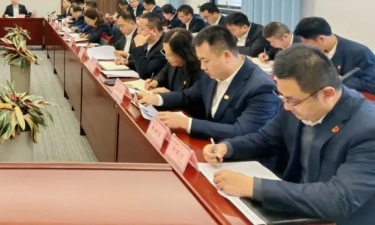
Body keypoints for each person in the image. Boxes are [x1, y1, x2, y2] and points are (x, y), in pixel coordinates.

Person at [204, 45, 375, 225]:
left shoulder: (368, 129)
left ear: (327, 94)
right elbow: (265, 139)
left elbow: (339, 199)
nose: (286, 107)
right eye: (283, 98)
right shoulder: (297, 103)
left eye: (292, 101)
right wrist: (227, 147)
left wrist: (254, 187)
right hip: (294, 206)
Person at [139, 25, 279, 140]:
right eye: (200, 60)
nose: (202, 67)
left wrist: (187, 123)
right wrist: (156, 99)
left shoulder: (261, 87)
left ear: (226, 56)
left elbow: (241, 131)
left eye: (205, 61)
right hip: (211, 145)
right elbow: (187, 96)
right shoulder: (211, 74)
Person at [294, 17, 375, 94]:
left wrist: (336, 80)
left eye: (308, 44)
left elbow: (371, 85)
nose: (306, 48)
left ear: (321, 39)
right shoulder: (313, 52)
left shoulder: (359, 53)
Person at [144, 28, 205, 118]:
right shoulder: (173, 61)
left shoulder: (201, 70)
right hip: (171, 109)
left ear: (184, 53)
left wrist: (169, 95)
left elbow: (190, 99)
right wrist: (155, 81)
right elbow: (164, 72)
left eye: (170, 54)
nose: (166, 57)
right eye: (165, 52)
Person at [121, 12, 167, 79]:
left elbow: (144, 73)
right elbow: (144, 61)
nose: (138, 32)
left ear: (154, 31)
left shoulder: (164, 48)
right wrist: (128, 62)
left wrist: (139, 47)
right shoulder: (148, 41)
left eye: (141, 28)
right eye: (138, 28)